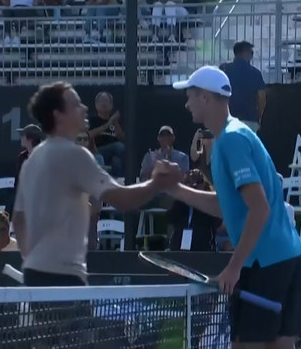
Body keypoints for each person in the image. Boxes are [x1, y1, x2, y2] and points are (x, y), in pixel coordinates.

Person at [171, 66, 301, 348]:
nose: (187, 104)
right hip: (289, 258)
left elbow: (259, 208)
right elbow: (227, 206)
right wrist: (174, 189)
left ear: (206, 98)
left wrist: (233, 267)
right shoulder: (234, 135)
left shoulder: (231, 139)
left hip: (264, 264)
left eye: (191, 96)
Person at [13, 81, 181, 287]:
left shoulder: (32, 160)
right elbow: (122, 199)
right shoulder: (75, 155)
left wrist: (30, 258)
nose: (84, 108)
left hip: (34, 274)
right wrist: (157, 183)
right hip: (65, 278)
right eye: (75, 104)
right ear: (58, 115)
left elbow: (19, 219)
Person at [167, 169, 221, 251]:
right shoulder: (181, 201)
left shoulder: (208, 201)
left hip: (202, 244)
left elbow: (216, 222)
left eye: (197, 183)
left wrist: (201, 198)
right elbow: (171, 218)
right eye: (189, 182)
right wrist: (182, 196)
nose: (193, 186)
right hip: (180, 242)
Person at [219, 41, 267, 132]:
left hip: (226, 119)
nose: (252, 55)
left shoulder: (224, 69)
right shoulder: (255, 73)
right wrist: (259, 117)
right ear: (246, 53)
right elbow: (262, 98)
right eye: (251, 52)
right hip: (249, 120)